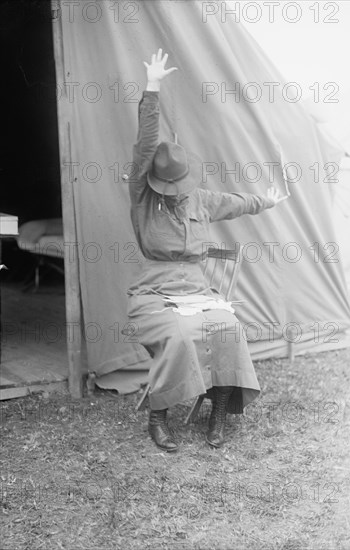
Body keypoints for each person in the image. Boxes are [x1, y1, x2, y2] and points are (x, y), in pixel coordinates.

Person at [127, 49, 283, 452]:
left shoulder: (198, 199)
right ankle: (158, 416)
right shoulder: (143, 198)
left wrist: (265, 201)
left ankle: (219, 406)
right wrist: (153, 87)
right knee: (179, 335)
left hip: (198, 293)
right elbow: (145, 145)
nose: (178, 195)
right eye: (171, 190)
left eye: (181, 187)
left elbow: (234, 202)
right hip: (155, 295)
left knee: (228, 327)